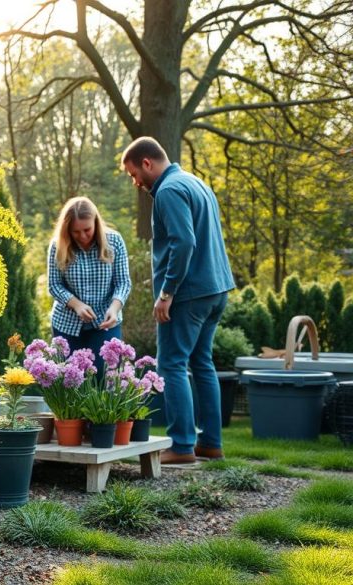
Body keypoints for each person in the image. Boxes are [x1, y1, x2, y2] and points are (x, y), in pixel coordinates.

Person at [120, 137, 236, 465]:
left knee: (171, 364)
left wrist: (166, 293)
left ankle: (183, 445)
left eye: (134, 174)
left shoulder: (169, 191)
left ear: (147, 163)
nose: (136, 183)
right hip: (216, 290)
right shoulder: (196, 183)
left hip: (188, 294)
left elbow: (183, 242)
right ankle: (211, 443)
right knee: (202, 364)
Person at [47, 196, 131, 374]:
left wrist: (114, 308)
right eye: (76, 232)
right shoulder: (58, 246)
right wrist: (77, 305)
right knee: (69, 380)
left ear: (96, 223)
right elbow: (54, 285)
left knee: (103, 378)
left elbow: (123, 282)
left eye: (87, 230)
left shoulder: (114, 241)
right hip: (66, 325)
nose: (82, 236)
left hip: (105, 323)